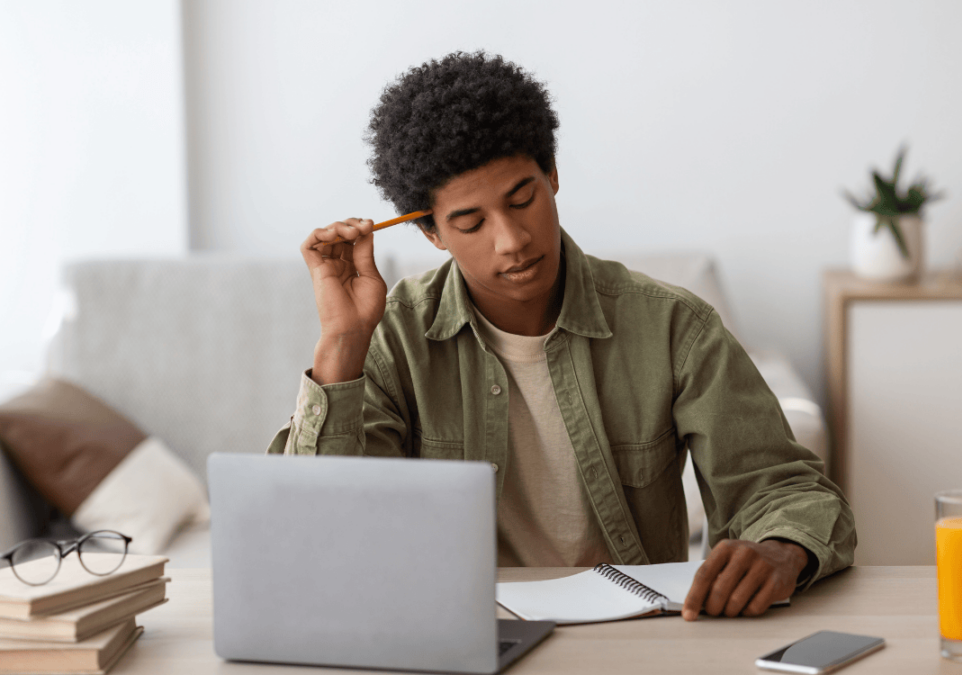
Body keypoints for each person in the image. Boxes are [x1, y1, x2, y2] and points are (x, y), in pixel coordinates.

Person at [267, 50, 855, 620]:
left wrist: (782, 549)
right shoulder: (393, 339)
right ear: (433, 234)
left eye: (522, 199)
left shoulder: (673, 327)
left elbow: (782, 489)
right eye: (471, 222)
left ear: (552, 175)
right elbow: (316, 534)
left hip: (630, 635)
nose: (512, 240)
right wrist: (342, 342)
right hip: (454, 632)